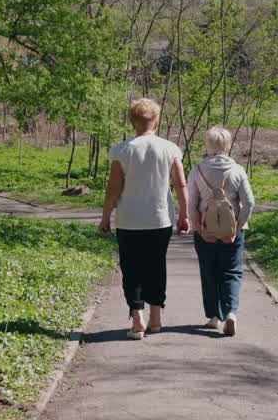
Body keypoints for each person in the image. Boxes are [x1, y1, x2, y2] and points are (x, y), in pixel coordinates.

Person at [98, 98, 190, 340]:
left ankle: (138, 319)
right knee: (156, 266)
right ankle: (156, 319)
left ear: (132, 122)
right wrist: (184, 215)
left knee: (132, 269)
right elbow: (180, 184)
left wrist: (106, 216)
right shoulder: (170, 149)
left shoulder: (122, 150)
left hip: (129, 220)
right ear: (157, 121)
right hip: (160, 220)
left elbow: (113, 188)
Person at [188, 125, 255, 337]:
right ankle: (231, 313)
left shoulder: (197, 170)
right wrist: (237, 227)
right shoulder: (238, 170)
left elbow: (191, 204)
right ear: (227, 145)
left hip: (205, 231)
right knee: (232, 272)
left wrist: (199, 227)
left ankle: (214, 317)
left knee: (209, 273)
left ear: (208, 145)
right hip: (231, 232)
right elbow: (249, 202)